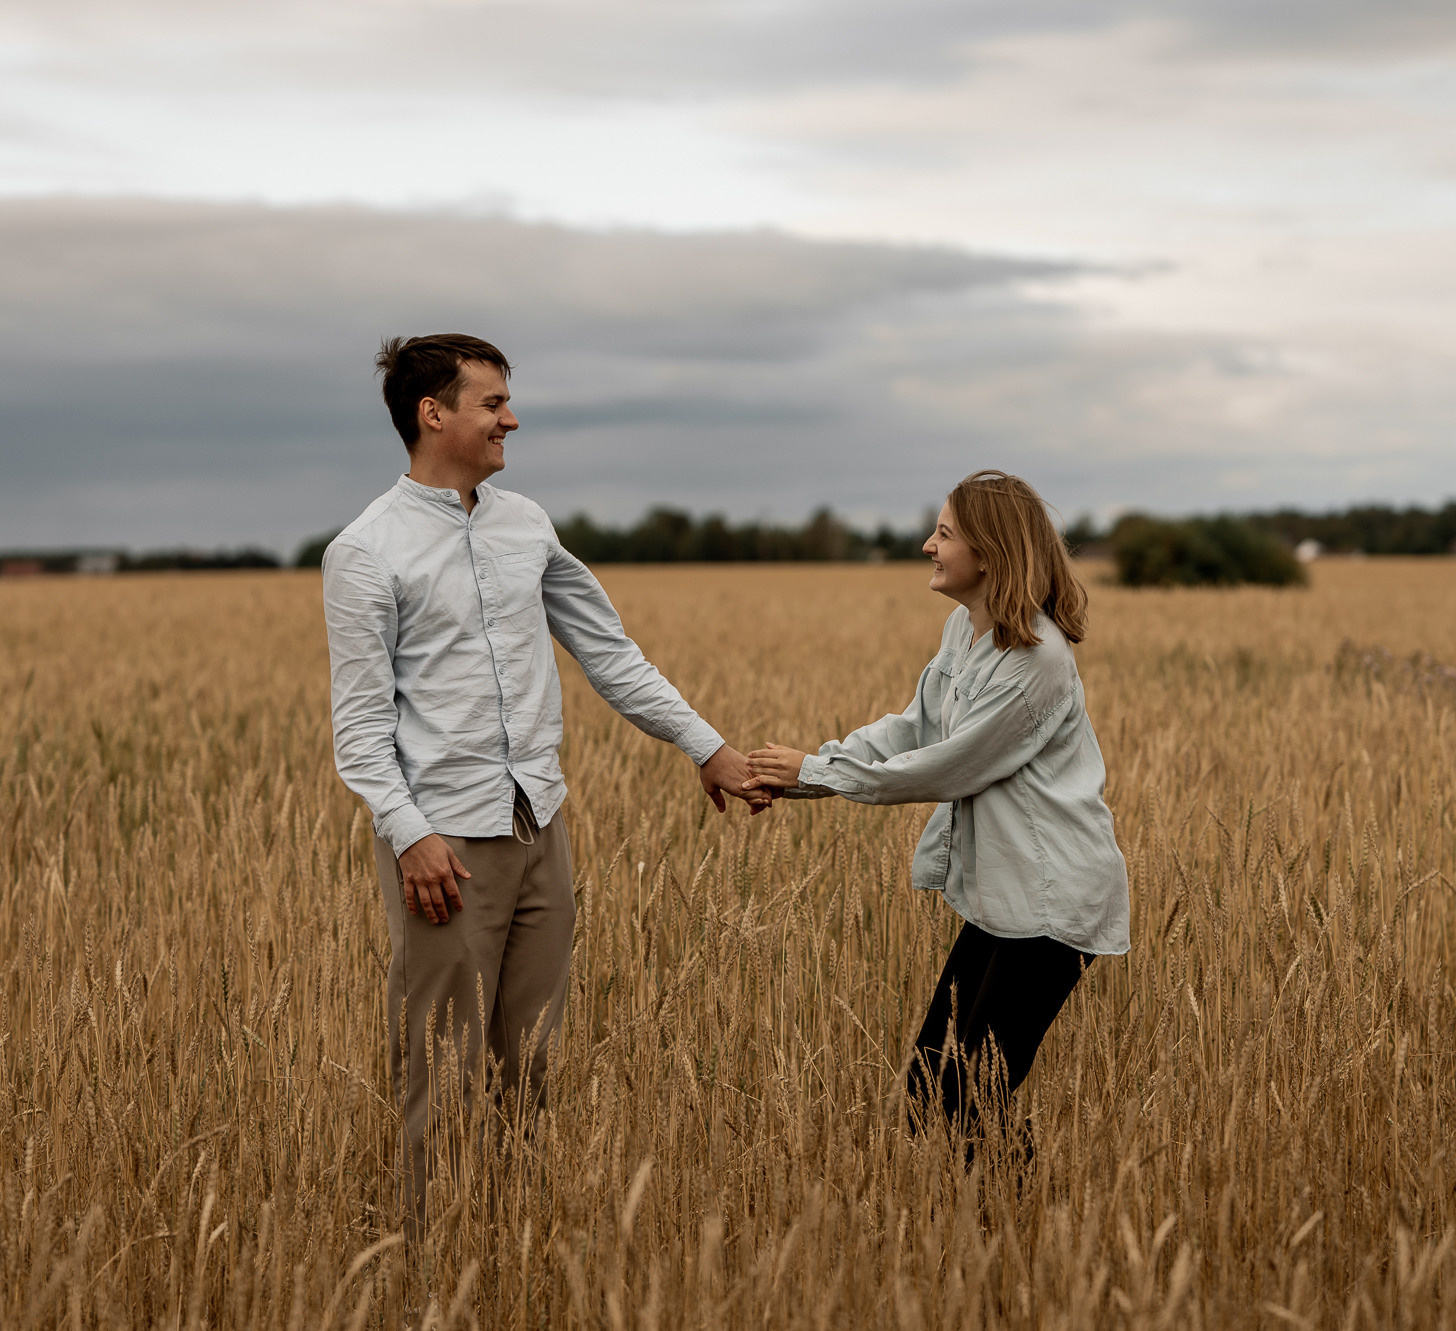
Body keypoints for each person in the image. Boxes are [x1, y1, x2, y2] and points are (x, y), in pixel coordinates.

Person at [322, 333, 769, 1219]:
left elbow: (612, 654)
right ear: (432, 413)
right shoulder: (366, 551)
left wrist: (706, 745)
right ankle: (433, 1267)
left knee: (529, 1067)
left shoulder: (527, 524)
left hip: (539, 829)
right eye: (492, 403)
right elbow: (362, 728)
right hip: (444, 846)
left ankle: (510, 1248)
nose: (510, 419)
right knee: (442, 1075)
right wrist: (410, 837)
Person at [744, 470, 1128, 1141]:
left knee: (969, 1095)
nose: (928, 544)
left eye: (945, 533)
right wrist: (807, 772)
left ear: (989, 551)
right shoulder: (965, 628)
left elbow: (950, 765)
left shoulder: (1036, 659)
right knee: (933, 1087)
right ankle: (1002, 1226)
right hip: (1006, 897)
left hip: (1053, 901)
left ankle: (1017, 1230)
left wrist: (817, 773)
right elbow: (913, 729)